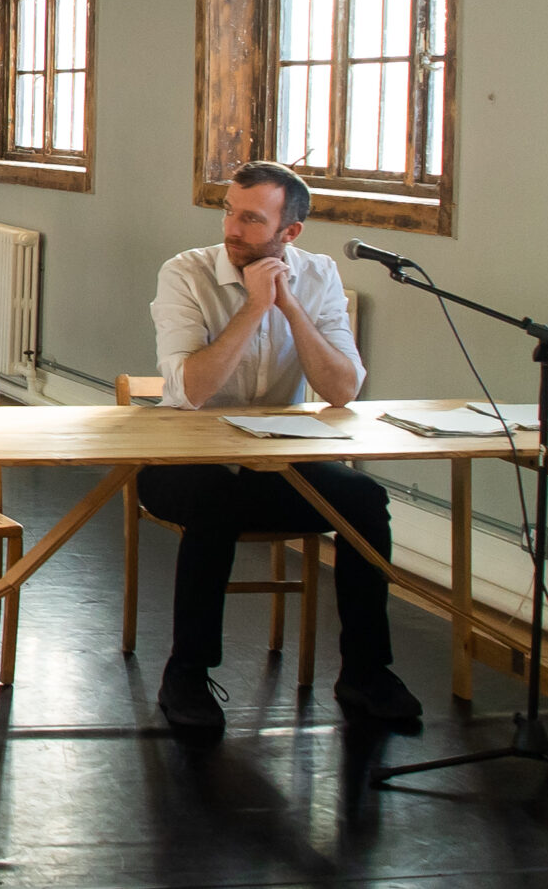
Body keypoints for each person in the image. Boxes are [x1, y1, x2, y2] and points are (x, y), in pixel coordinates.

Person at [143, 160, 422, 733]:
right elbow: (192, 390)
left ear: (288, 233)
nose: (233, 229)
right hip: (182, 463)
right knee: (215, 497)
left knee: (363, 500)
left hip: (275, 464)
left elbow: (343, 387)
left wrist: (288, 305)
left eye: (251, 219)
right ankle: (187, 673)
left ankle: (367, 672)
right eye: (229, 212)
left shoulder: (317, 277)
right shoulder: (185, 274)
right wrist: (252, 307)